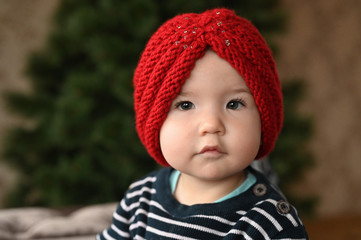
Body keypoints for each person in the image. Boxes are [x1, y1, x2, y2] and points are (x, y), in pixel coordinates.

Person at [97, 8, 309, 240]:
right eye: (186, 105)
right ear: (155, 123)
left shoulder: (269, 223)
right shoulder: (140, 199)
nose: (211, 124)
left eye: (234, 104)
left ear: (263, 119)